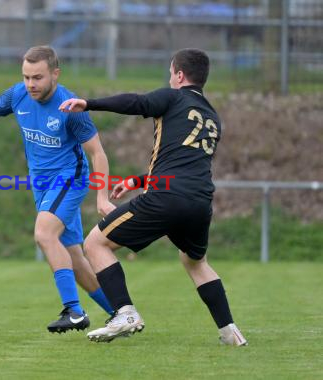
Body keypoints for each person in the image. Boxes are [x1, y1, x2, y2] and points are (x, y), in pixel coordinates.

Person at [59, 48, 248, 346]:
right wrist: (136, 181)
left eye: (171, 72)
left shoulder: (173, 97)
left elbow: (137, 102)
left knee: (95, 242)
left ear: (180, 75)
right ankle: (230, 332)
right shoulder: (212, 116)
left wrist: (89, 103)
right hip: (199, 203)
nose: (170, 77)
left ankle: (125, 313)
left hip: (166, 197)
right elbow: (184, 165)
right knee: (195, 262)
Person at [0, 45, 115, 333]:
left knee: (44, 234)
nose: (30, 84)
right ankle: (120, 311)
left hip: (69, 178)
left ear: (55, 74)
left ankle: (74, 312)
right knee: (73, 257)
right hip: (42, 184)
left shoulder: (70, 106)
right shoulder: (18, 95)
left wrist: (102, 196)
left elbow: (97, 153)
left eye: (37, 77)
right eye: (26, 77)